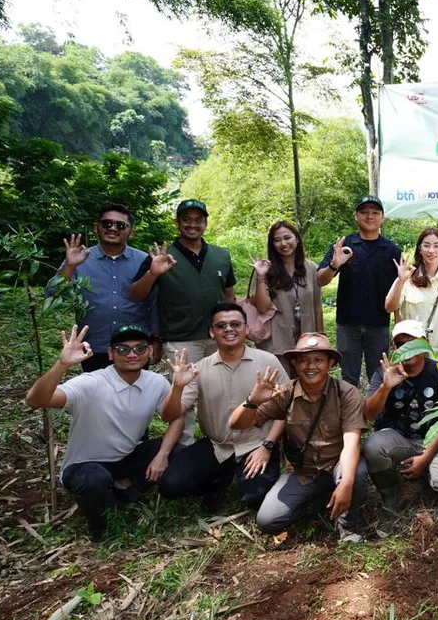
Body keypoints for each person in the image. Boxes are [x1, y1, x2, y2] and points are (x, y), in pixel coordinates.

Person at [25, 325, 194, 540]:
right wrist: (62, 364)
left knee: (177, 453)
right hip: (86, 464)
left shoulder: (156, 382)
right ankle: (101, 527)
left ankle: (123, 488)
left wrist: (162, 454)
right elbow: (35, 400)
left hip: (126, 457)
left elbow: (175, 418)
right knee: (93, 480)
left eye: (140, 348)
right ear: (111, 353)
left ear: (150, 352)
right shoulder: (92, 382)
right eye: (123, 349)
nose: (132, 354)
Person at [229, 333, 367, 541]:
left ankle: (348, 525)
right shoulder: (285, 393)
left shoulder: (346, 393)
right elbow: (237, 424)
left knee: (355, 474)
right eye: (304, 360)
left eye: (318, 360)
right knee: (267, 521)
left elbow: (351, 443)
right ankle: (318, 501)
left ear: (330, 363)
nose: (311, 366)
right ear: (295, 364)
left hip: (337, 464)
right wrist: (252, 401)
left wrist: (346, 482)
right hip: (302, 472)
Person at [158, 302, 289, 513]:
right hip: (217, 445)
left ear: (246, 329)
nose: (229, 329)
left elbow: (285, 410)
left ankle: (246, 475)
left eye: (235, 324)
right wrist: (177, 387)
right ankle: (218, 479)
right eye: (221, 326)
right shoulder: (199, 369)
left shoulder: (268, 361)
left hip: (255, 444)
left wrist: (268, 446)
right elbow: (169, 415)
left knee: (255, 498)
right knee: (170, 486)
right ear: (212, 332)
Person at [128, 198, 236, 443]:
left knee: (219, 392)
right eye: (186, 219)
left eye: (198, 220)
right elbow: (135, 294)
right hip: (180, 340)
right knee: (184, 396)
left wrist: (234, 328)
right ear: (177, 223)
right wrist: (153, 273)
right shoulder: (162, 256)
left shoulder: (221, 255)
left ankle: (222, 442)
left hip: (217, 338)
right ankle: (183, 449)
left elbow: (229, 295)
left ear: (206, 224)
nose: (192, 224)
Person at [46, 204, 157, 372]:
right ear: (96, 227)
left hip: (134, 348)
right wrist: (69, 267)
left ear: (131, 231)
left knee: (135, 395)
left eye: (120, 225)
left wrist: (157, 340)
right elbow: (52, 296)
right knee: (97, 395)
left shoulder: (145, 260)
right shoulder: (79, 259)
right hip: (95, 346)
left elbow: (155, 303)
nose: (112, 228)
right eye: (106, 223)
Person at [362, 320, 438, 508]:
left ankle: (424, 477)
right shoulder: (385, 372)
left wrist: (425, 459)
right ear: (394, 347)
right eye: (401, 344)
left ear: (425, 344)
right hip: (399, 439)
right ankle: (390, 493)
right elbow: (368, 413)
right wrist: (385, 387)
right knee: (373, 446)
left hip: (434, 440)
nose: (407, 348)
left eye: (413, 342)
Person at [316, 195, 401, 386]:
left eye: (375, 212)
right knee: (348, 377)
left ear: (382, 217)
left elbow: (398, 289)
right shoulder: (344, 245)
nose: (369, 216)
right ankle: (350, 413)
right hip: (347, 322)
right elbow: (320, 280)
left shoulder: (391, 250)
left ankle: (377, 413)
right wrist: (334, 265)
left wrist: (398, 326)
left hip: (379, 323)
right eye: (364, 212)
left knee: (378, 375)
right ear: (356, 216)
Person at [385, 227, 438, 353]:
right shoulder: (407, 278)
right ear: (420, 249)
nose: (431, 250)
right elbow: (389, 307)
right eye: (426, 245)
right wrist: (400, 281)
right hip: (411, 350)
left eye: (436, 246)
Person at [249, 220, 324, 362]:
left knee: (305, 382)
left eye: (287, 238)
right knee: (279, 383)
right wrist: (260, 277)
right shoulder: (266, 269)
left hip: (307, 341)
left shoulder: (311, 268)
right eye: (277, 240)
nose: (283, 244)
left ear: (296, 238)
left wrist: (321, 336)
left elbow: (317, 306)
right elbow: (262, 307)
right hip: (277, 342)